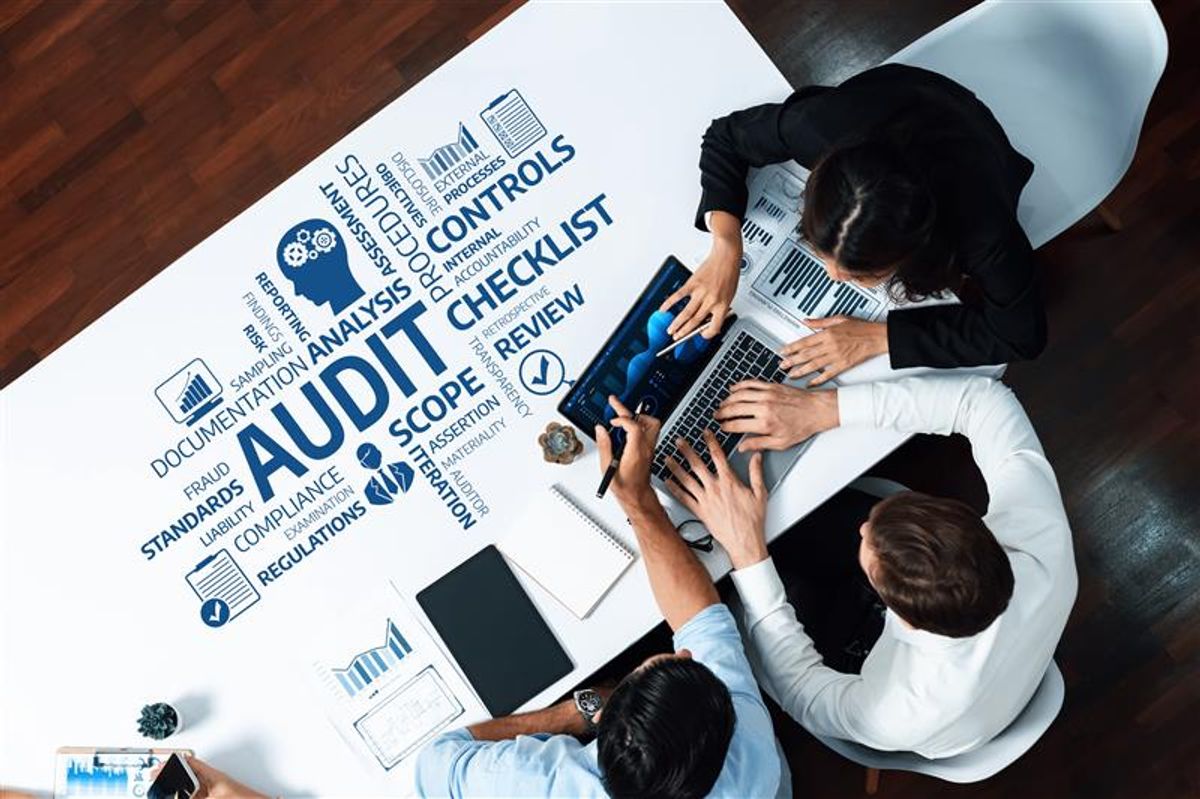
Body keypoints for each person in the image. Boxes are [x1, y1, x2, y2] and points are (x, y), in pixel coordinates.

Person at [664, 375, 1076, 757]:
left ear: (899, 614)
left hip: (866, 667)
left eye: (868, 543)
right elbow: (984, 399)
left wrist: (747, 553)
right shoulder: (1039, 537)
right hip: (1003, 663)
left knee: (743, 590)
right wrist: (829, 407)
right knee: (801, 524)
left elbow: (803, 692)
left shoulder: (894, 709)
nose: (864, 528)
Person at [415, 396, 788, 798]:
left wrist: (570, 716)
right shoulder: (749, 753)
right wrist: (638, 499)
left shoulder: (540, 783)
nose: (687, 654)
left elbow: (437, 763)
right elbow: (702, 622)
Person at [665, 63, 1045, 384]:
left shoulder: (983, 229)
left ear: (912, 248)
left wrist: (879, 338)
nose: (832, 275)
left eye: (862, 273)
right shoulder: (815, 127)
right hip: (884, 101)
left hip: (970, 133)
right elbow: (724, 137)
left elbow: (1021, 336)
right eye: (819, 245)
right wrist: (727, 245)